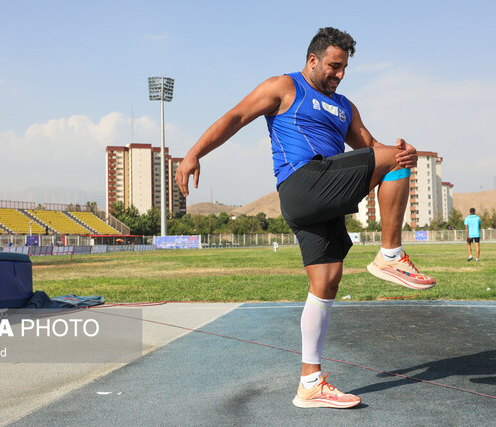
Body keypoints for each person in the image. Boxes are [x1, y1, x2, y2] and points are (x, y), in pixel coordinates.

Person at [175, 27, 436, 409]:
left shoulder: (346, 106)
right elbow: (235, 117)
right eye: (333, 66)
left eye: (344, 68)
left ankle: (309, 383)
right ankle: (390, 255)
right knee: (393, 164)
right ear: (312, 60)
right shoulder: (285, 86)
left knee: (327, 281)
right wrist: (194, 153)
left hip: (325, 196)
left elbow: (372, 149)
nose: (339, 74)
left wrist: (404, 152)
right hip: (302, 182)